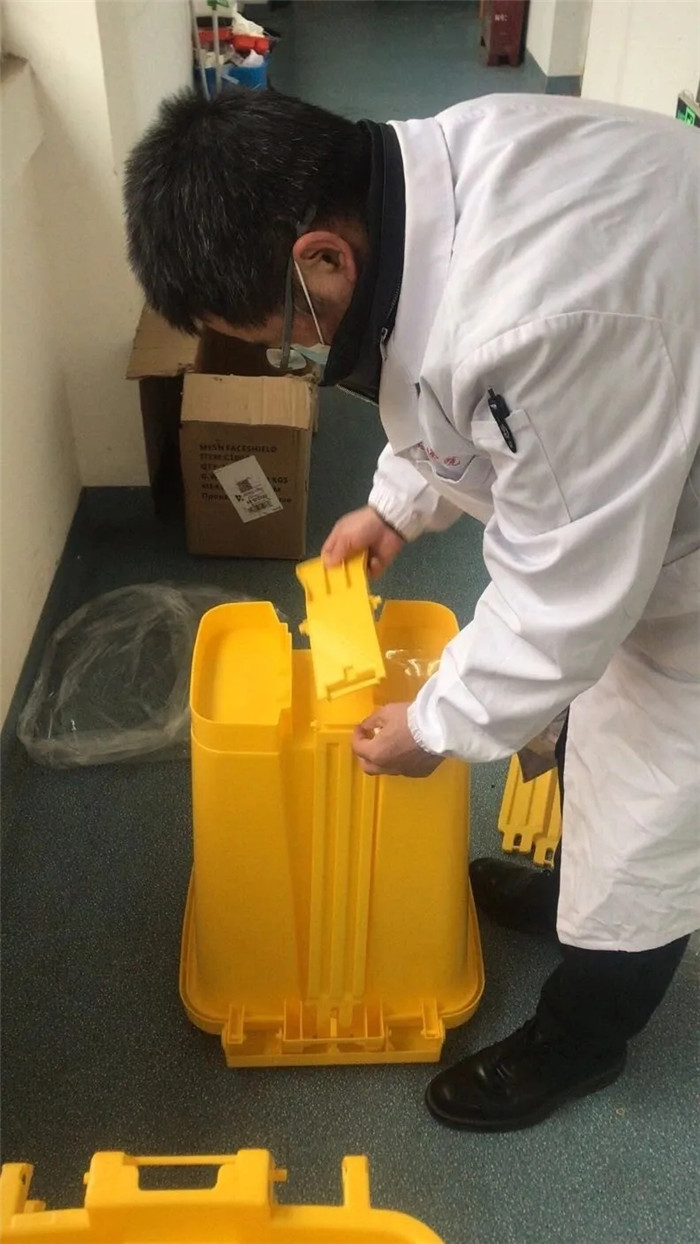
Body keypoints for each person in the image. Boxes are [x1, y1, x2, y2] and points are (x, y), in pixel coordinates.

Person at [124, 87, 699, 1132]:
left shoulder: (542, 323)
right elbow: (445, 370)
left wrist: (436, 726)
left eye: (276, 336)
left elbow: (564, 595)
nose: (288, 357)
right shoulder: (431, 175)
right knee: (595, 731)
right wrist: (396, 504)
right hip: (639, 427)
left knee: (652, 809)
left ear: (321, 258)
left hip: (674, 544)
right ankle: (568, 890)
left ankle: (584, 1038)